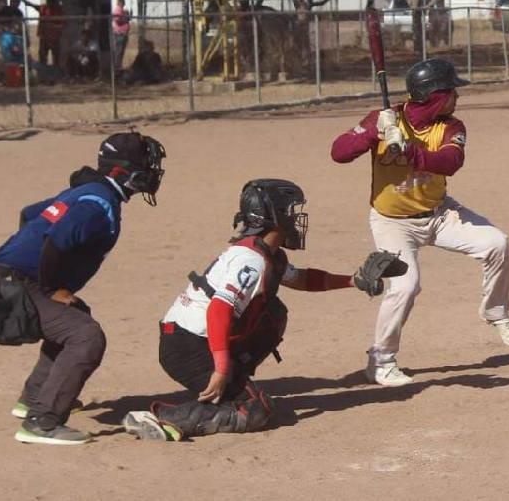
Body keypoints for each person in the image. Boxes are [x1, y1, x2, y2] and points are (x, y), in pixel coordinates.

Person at [121, 179, 405, 441]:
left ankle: (230, 385)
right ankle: (162, 418)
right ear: (275, 215)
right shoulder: (252, 259)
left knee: (274, 312)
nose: (296, 219)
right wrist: (220, 369)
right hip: (187, 346)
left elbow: (302, 279)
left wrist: (352, 280)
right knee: (255, 410)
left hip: (190, 338)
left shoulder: (267, 255)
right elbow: (218, 310)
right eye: (291, 212)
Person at [331, 58, 509, 387]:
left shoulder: (452, 126)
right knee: (406, 286)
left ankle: (495, 312)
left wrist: (409, 151)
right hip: (393, 222)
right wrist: (372, 134)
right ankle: (380, 362)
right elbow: (338, 152)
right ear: (435, 95)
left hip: (438, 213)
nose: (457, 98)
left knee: (496, 243)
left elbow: (451, 162)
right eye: (452, 91)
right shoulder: (385, 118)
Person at [0, 131, 166, 445]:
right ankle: (43, 423)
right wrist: (51, 287)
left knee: (75, 317)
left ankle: (34, 398)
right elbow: (55, 240)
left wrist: (25, 257)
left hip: (4, 277)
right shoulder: (98, 203)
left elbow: (30, 214)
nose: (151, 173)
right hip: (13, 286)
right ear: (122, 172)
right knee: (86, 337)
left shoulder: (89, 192)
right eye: (145, 166)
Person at [36, 0, 65, 67]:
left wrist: (53, 26)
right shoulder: (44, 8)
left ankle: (55, 72)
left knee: (56, 57)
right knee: (42, 56)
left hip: (54, 38)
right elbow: (34, 6)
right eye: (48, 2)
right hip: (44, 37)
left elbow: (63, 25)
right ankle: (43, 72)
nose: (49, 4)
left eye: (51, 2)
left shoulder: (59, 10)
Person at [111, 0, 131, 73]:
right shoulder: (118, 9)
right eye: (122, 2)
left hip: (123, 35)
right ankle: (116, 69)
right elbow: (117, 20)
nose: (123, 3)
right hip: (119, 34)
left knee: (120, 52)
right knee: (118, 52)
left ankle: (118, 68)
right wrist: (126, 18)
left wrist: (126, 16)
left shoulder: (122, 10)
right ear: (120, 2)